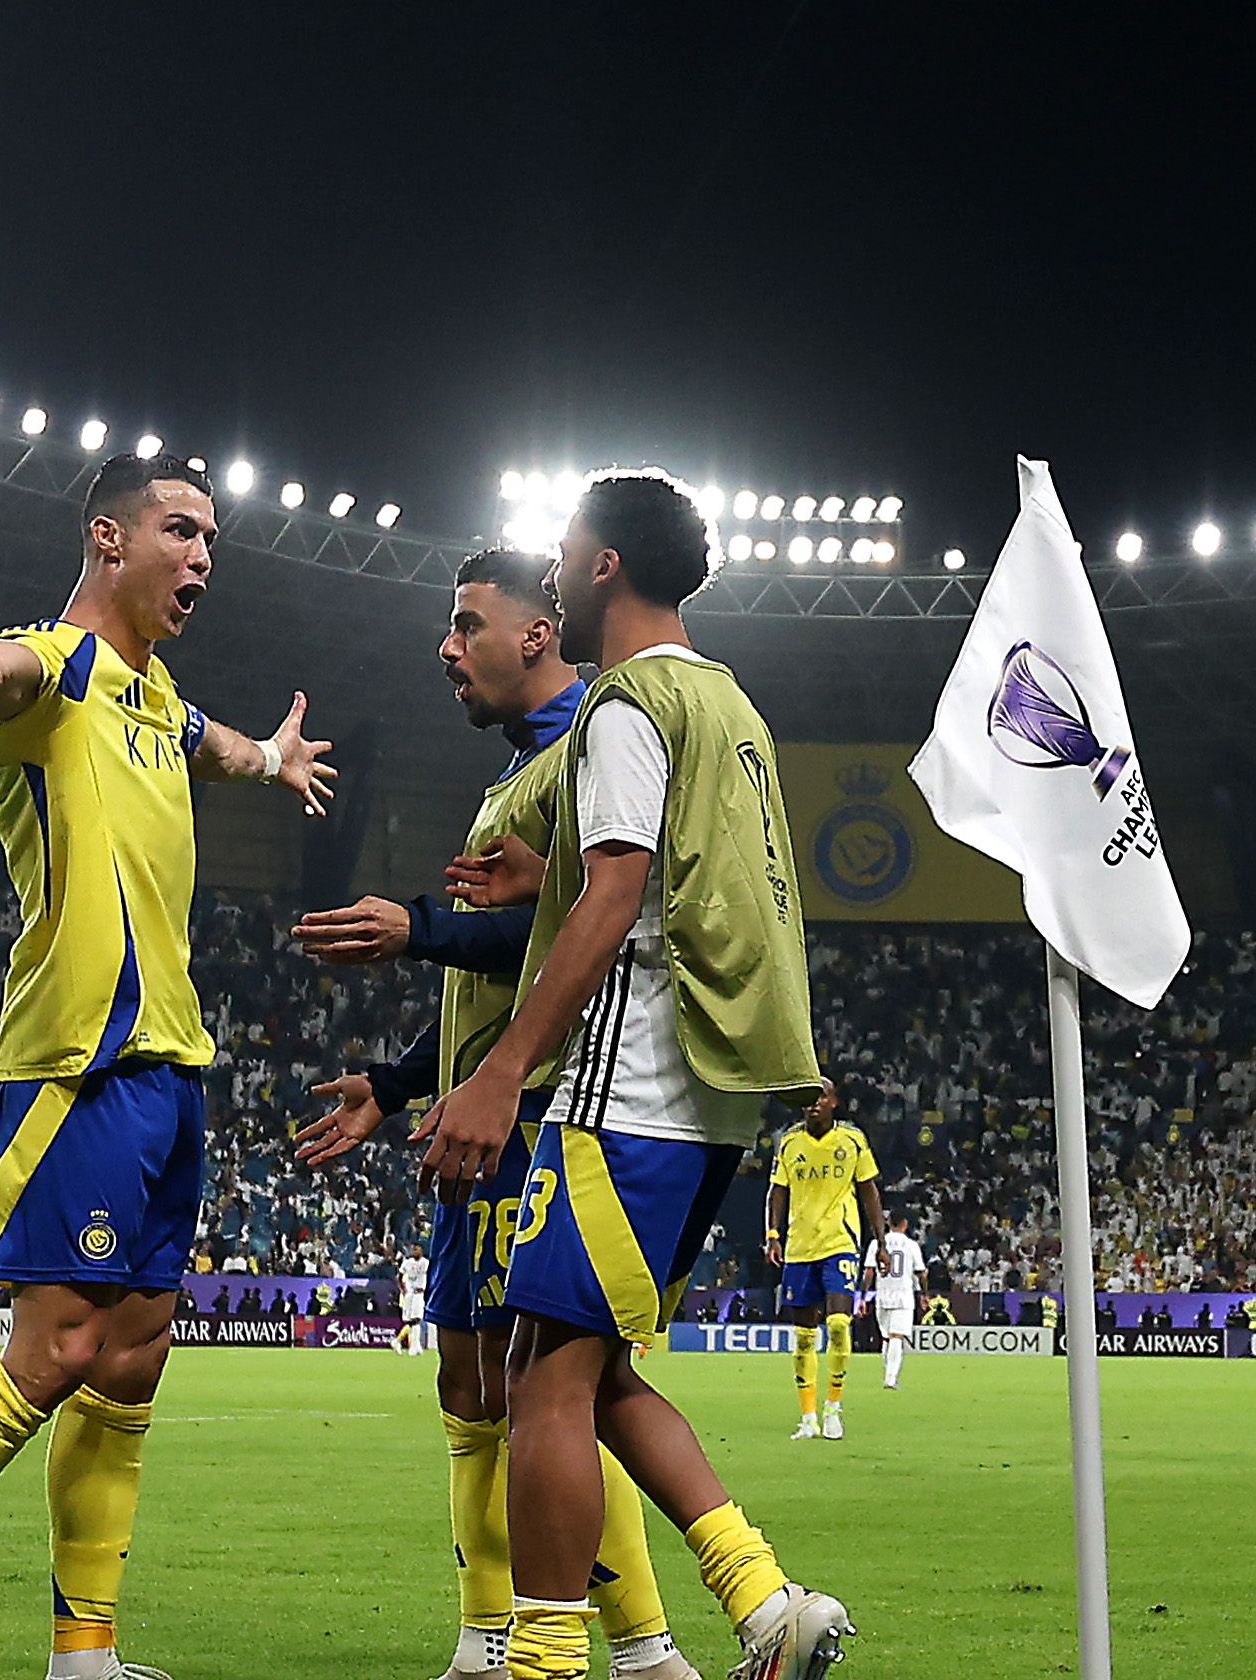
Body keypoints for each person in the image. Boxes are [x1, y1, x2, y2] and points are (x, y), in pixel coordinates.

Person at [0, 455, 334, 1680]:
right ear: (110, 537)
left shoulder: (160, 698)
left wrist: (276, 758)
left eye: (212, 538)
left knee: (134, 1358)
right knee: (51, 1353)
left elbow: (218, 746)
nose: (204, 555)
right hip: (79, 1063)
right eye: (181, 531)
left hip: (172, 1064)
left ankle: (84, 1655)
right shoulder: (62, 669)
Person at [423, 471, 852, 1680]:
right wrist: (543, 871)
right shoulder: (730, 703)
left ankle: (547, 1657)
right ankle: (763, 1601)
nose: (553, 571)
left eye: (565, 550)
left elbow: (618, 896)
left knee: (541, 1374)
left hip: (633, 1082)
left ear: (604, 564)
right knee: (597, 1366)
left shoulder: (625, 704)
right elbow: (670, 871)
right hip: (718, 1084)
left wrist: (505, 1067)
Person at [293, 545, 695, 1680]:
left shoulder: (591, 744)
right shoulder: (519, 771)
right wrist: (400, 1077)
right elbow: (498, 979)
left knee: (544, 1385)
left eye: (467, 622)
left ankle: (640, 1642)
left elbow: (581, 935)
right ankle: (488, 1635)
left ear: (536, 631)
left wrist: (420, 925)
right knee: (469, 1378)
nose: (445, 645)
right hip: (484, 1102)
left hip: (552, 1104)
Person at [766, 1079, 881, 1440]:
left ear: (834, 1102)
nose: (813, 1104)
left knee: (837, 1325)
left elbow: (868, 1191)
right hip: (800, 1248)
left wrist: (881, 1242)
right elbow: (777, 1191)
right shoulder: (789, 1142)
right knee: (803, 1336)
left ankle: (833, 1407)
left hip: (840, 1243)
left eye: (820, 1098)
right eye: (807, 1100)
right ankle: (808, 1418)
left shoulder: (852, 1140)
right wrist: (772, 1235)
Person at [867, 1215, 926, 1391]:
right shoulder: (911, 1245)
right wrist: (924, 1294)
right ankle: (891, 1378)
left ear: (888, 1223)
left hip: (882, 1294)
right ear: (905, 1224)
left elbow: (869, 1272)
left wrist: (862, 1297)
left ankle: (889, 1374)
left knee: (887, 1337)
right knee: (896, 1337)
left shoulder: (876, 1244)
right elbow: (921, 1273)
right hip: (903, 1295)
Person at [397, 1247, 432, 1357]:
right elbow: (399, 1276)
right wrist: (403, 1289)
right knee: (410, 1321)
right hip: (409, 1294)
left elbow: (431, 1275)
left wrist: (428, 1288)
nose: (415, 1251)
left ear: (422, 1251)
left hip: (419, 1293)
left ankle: (415, 1346)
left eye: (417, 1249)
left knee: (417, 1319)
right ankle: (414, 1346)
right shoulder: (407, 1263)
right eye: (413, 1250)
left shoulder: (426, 1263)